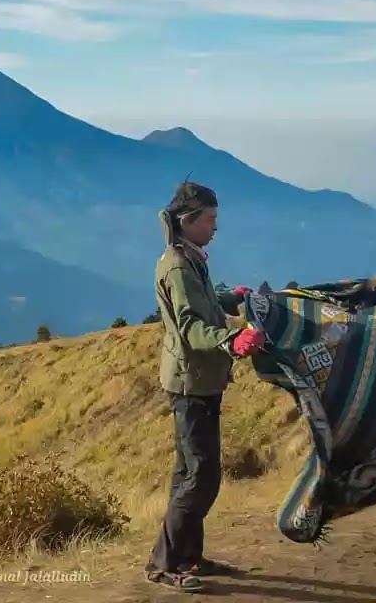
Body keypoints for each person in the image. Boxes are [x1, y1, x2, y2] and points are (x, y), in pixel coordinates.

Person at [144, 181, 265, 592]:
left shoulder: (190, 259)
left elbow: (202, 303)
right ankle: (166, 564)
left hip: (200, 380)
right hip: (191, 382)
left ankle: (186, 557)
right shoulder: (178, 267)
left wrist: (232, 298)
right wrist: (233, 340)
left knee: (190, 473)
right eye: (210, 219)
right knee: (202, 475)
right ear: (188, 221)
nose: (215, 227)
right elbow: (191, 325)